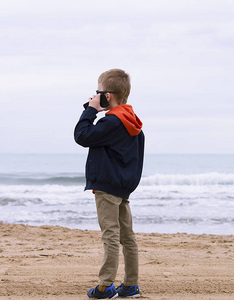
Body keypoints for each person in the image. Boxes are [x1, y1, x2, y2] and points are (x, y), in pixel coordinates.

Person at [74, 69, 145, 299]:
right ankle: (131, 285)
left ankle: (105, 286)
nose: (95, 96)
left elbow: (82, 136)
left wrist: (92, 110)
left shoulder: (112, 123)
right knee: (127, 236)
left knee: (111, 236)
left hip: (106, 187)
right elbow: (137, 159)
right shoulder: (133, 123)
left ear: (108, 95)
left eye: (98, 92)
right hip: (123, 188)